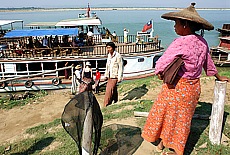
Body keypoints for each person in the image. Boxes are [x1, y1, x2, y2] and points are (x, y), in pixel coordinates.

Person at [141, 3, 230, 155]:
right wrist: (218, 76)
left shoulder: (181, 42)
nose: (174, 27)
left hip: (177, 88)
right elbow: (208, 64)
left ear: (185, 24)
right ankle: (166, 143)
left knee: (168, 115)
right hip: (193, 88)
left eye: (176, 23)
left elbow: (162, 63)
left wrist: (160, 72)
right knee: (183, 121)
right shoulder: (203, 42)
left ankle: (174, 150)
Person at [104, 42, 124, 107]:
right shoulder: (109, 55)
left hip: (114, 75)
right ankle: (115, 100)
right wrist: (106, 75)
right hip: (110, 75)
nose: (108, 49)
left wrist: (119, 77)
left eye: (109, 48)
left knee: (108, 90)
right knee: (113, 89)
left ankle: (106, 104)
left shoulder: (118, 55)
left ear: (113, 48)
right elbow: (107, 66)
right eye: (107, 48)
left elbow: (120, 66)